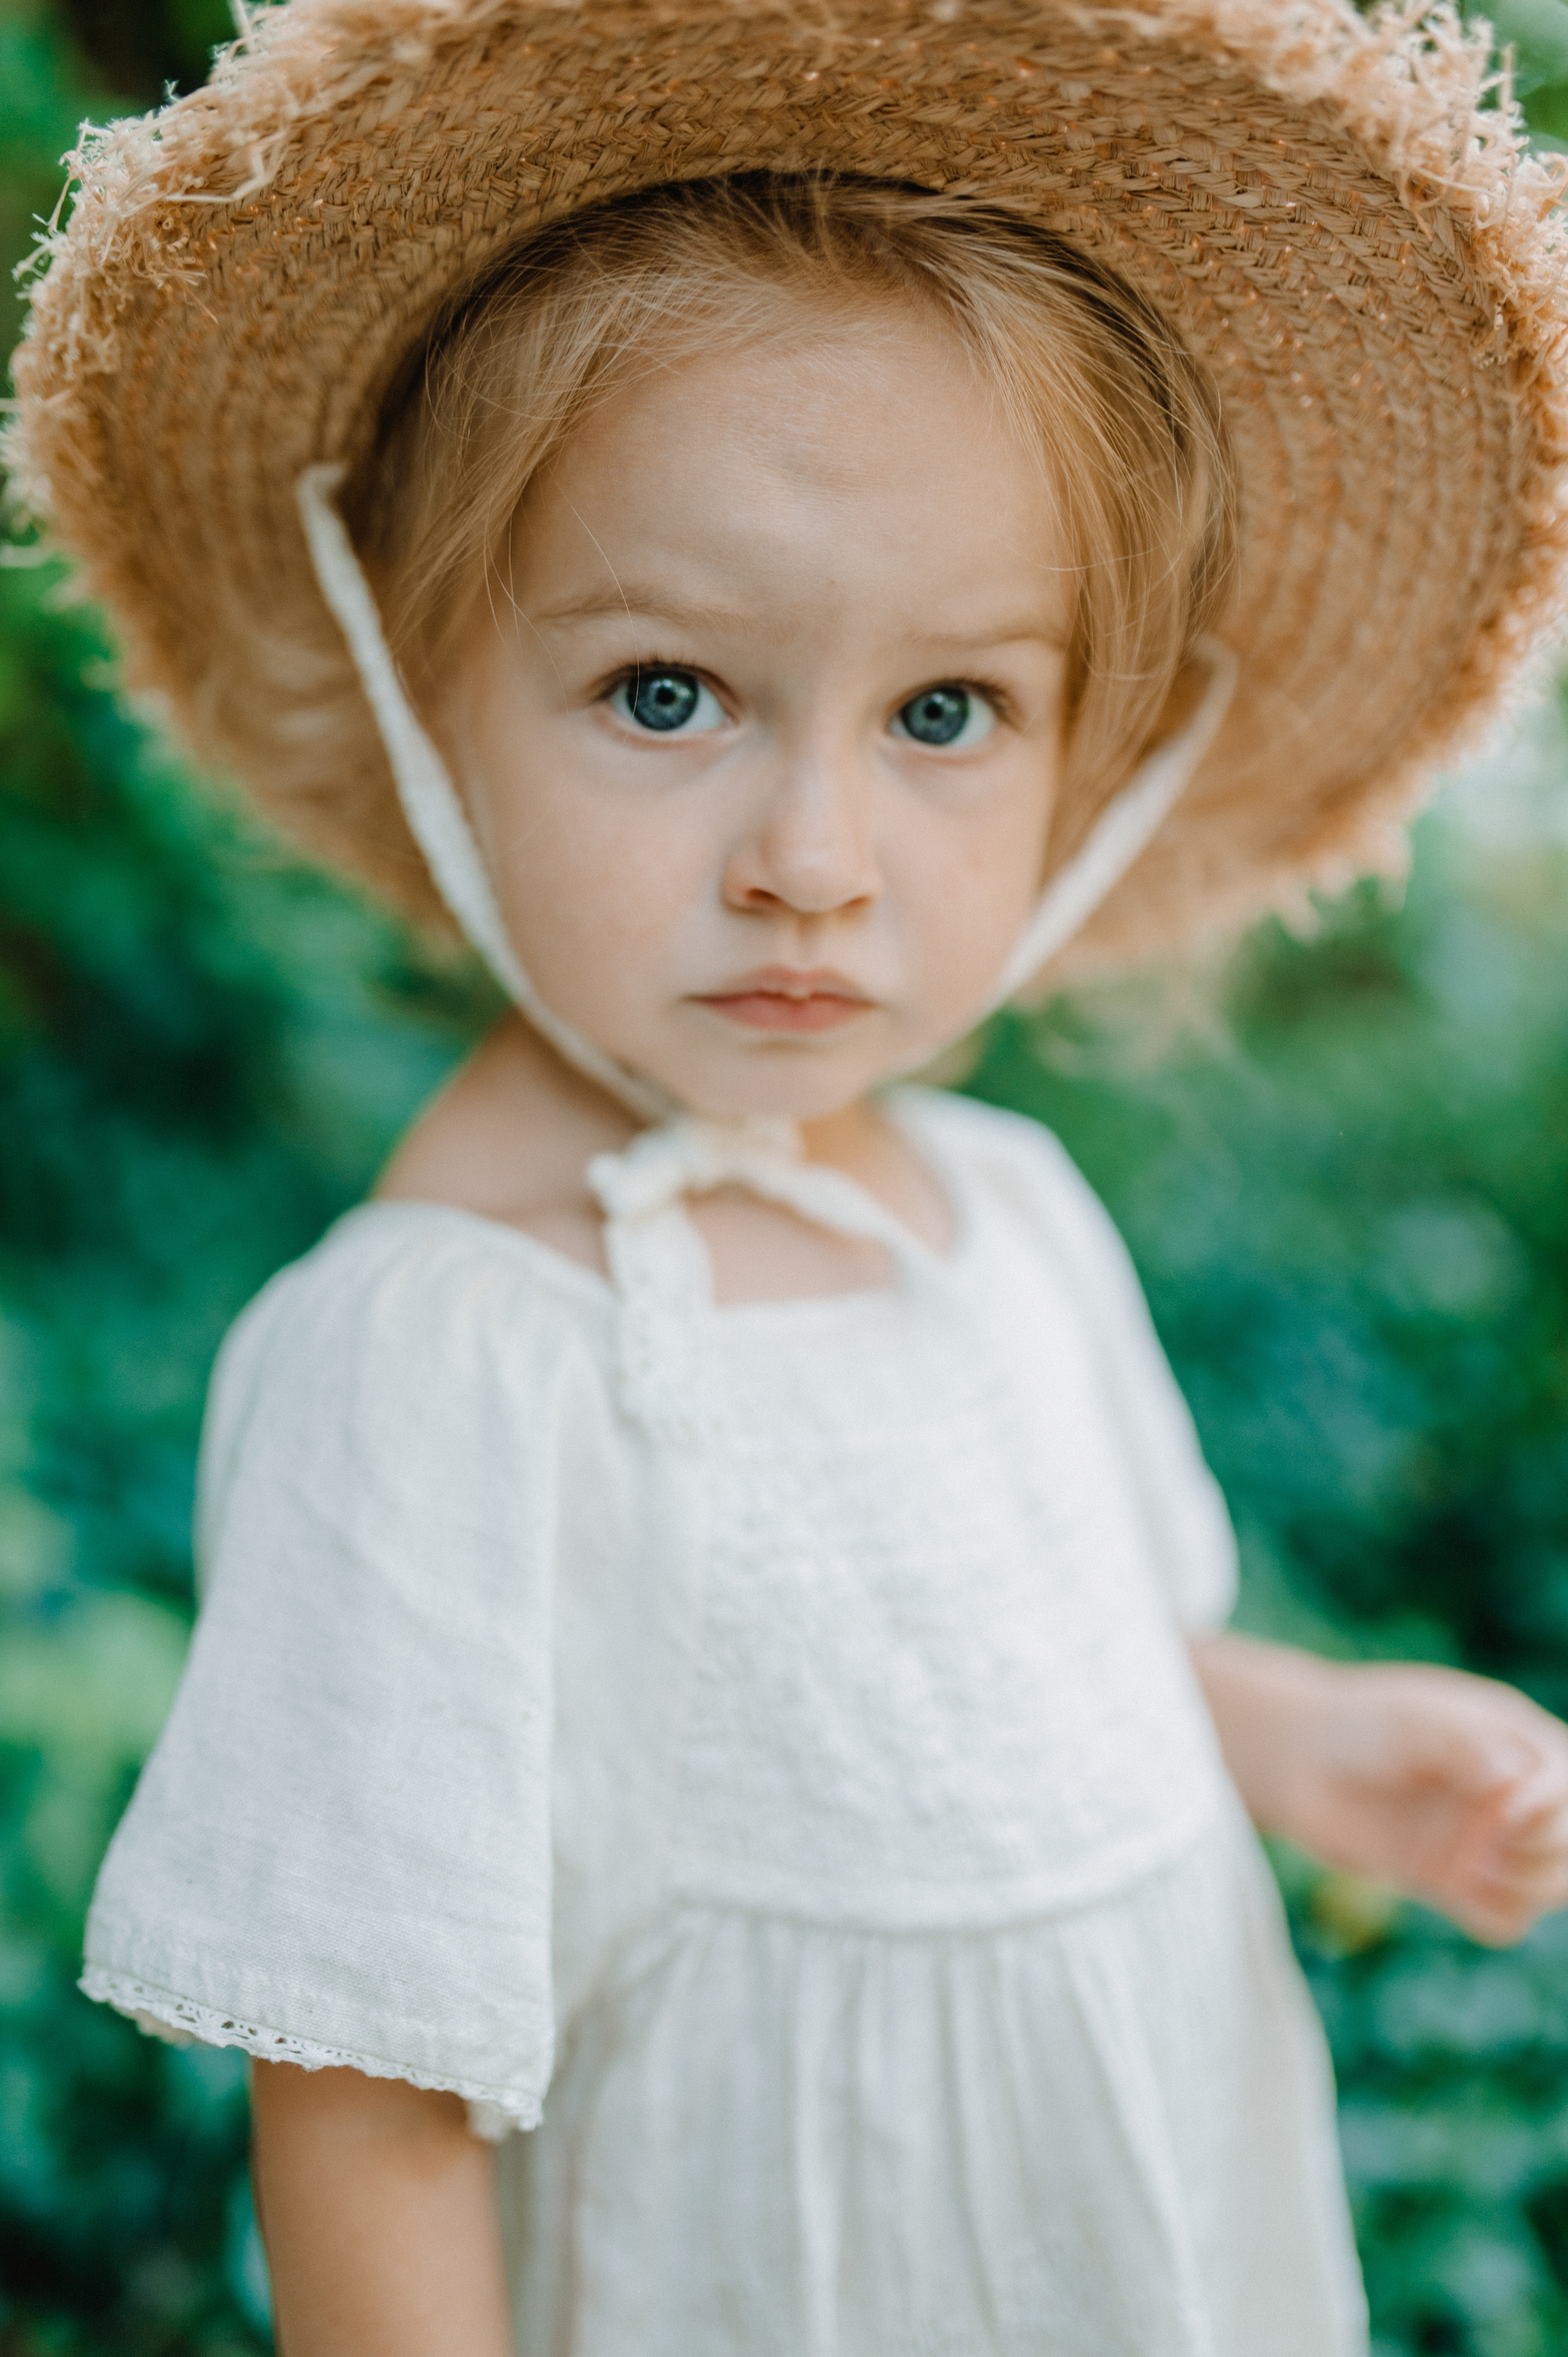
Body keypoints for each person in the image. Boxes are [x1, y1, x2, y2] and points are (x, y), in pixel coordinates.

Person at [11, 2, 1568, 2351]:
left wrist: (1310, 1745)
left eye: (946, 714)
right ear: (430, 703)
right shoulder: (442, 1361)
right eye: (667, 691)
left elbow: (1064, 1684)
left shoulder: (1007, 1216)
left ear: (1085, 749)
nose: (816, 862)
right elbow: (364, 2099)